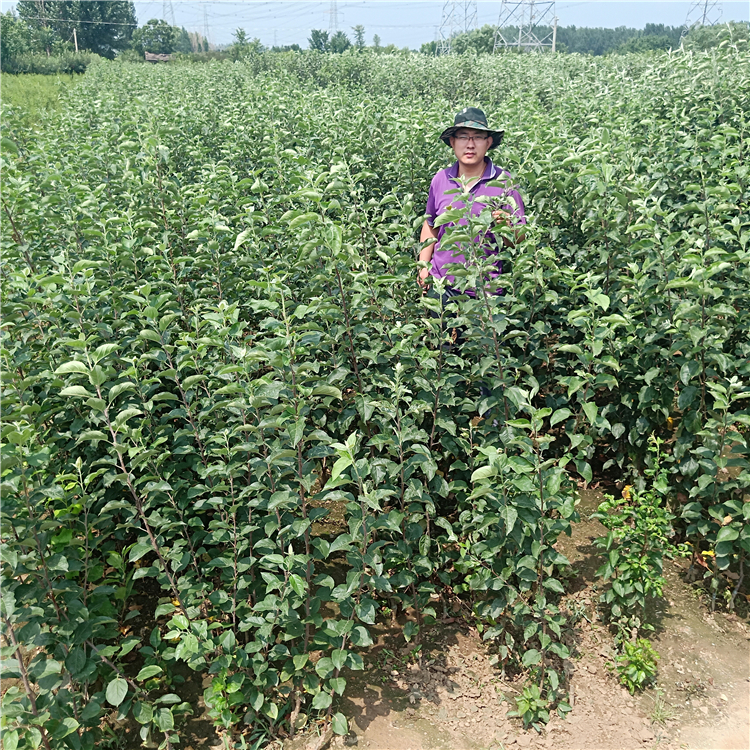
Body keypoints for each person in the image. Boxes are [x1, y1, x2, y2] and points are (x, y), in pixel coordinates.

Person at [417, 107, 526, 295]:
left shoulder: (504, 182)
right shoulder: (441, 179)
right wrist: (423, 267)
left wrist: (508, 226)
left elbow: (520, 239)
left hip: (485, 291)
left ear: (488, 142)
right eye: (463, 137)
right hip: (442, 286)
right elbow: (431, 225)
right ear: (452, 142)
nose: (470, 144)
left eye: (477, 137)